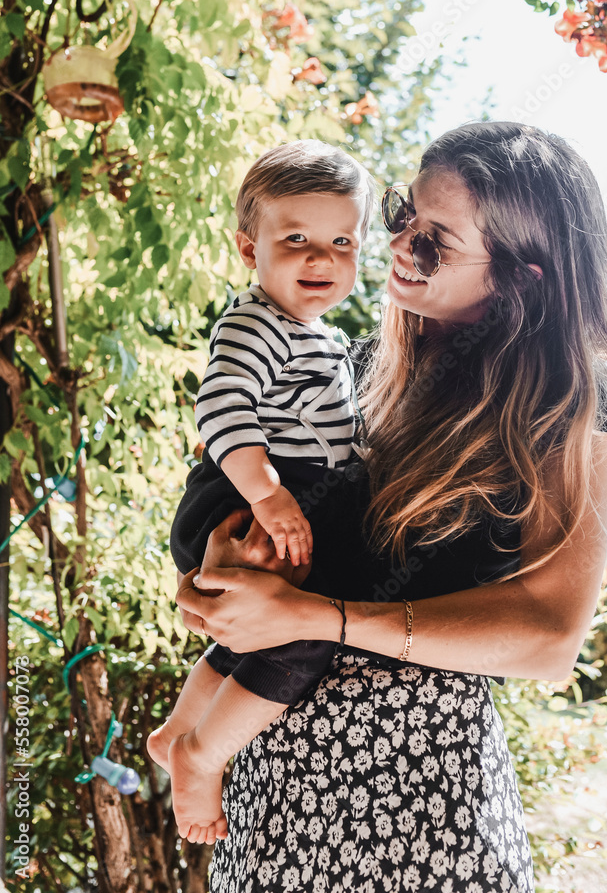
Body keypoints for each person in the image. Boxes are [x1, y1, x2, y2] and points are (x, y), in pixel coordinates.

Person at [175, 122, 607, 891]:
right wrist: (217, 575)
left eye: (434, 242)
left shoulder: (570, 399)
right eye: (402, 215)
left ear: (518, 277)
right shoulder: (350, 370)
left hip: (421, 794)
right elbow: (239, 497)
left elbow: (549, 637)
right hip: (272, 782)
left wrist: (319, 618)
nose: (397, 245)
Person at [147, 140, 376, 842]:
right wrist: (267, 495)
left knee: (264, 629)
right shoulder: (255, 324)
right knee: (301, 632)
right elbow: (221, 407)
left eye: (342, 241)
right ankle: (201, 755)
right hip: (245, 497)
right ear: (250, 250)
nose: (321, 258)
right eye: (297, 239)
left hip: (276, 494)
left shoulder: (318, 335)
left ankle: (180, 729)